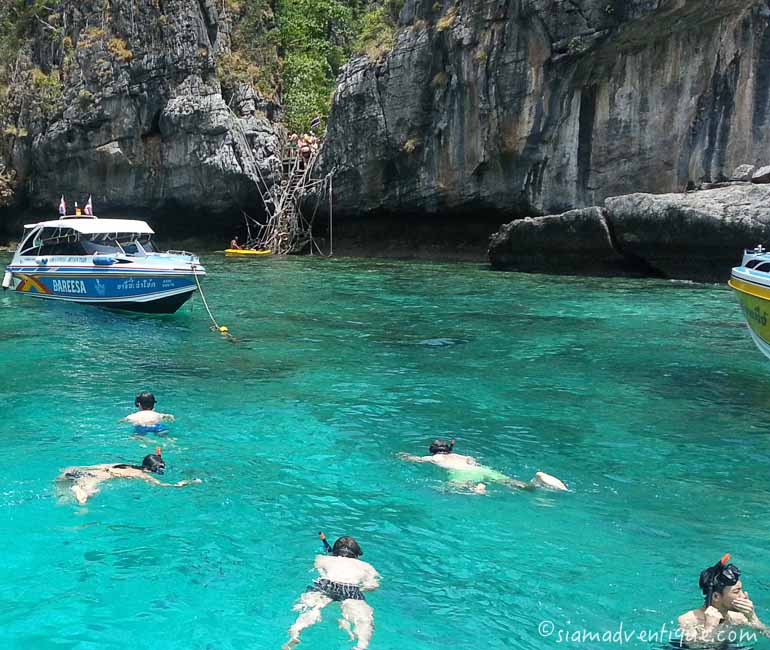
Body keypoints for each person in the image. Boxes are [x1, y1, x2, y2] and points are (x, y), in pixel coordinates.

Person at [283, 536, 380, 650]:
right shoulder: (366, 567)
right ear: (356, 553)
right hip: (351, 588)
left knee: (312, 609)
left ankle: (296, 632)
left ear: (334, 551)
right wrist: (360, 591)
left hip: (326, 584)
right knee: (364, 619)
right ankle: (361, 645)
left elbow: (320, 572)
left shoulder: (321, 558)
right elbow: (373, 585)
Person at [398, 438, 568, 494]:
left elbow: (415, 459)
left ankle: (476, 489)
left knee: (450, 489)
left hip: (462, 473)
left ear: (433, 450)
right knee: (515, 484)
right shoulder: (465, 456)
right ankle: (537, 479)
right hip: (481, 470)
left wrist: (403, 455)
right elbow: (474, 463)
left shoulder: (435, 459)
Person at [677, 554, 770, 642]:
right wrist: (710, 628)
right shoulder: (688, 620)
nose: (744, 596)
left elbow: (768, 635)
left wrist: (753, 618)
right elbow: (695, 647)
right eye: (737, 591)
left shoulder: (737, 617)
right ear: (716, 596)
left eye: (741, 590)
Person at [56, 451, 201, 504]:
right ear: (152, 469)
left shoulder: (123, 465)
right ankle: (77, 489)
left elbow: (98, 466)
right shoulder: (142, 474)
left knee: (62, 493)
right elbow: (164, 486)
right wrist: (188, 482)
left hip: (80, 471)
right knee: (85, 498)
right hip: (92, 479)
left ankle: (74, 486)